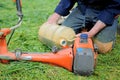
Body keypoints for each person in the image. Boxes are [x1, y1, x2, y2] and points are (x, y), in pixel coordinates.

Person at [46, 0, 120, 53]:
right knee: (63, 37)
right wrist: (54, 18)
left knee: (102, 48)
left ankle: (111, 26)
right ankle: (71, 15)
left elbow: (112, 8)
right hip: (83, 9)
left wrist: (91, 33)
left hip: (105, 11)